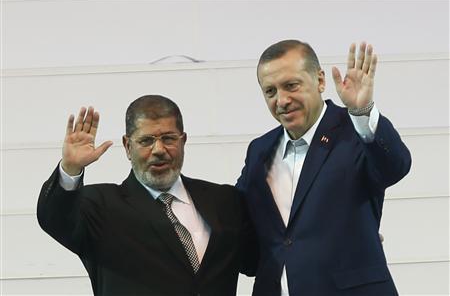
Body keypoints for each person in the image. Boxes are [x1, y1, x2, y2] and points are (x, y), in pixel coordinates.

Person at [236, 40, 412, 295]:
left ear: (320, 80)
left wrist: (362, 111)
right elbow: (238, 218)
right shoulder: (259, 150)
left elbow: (396, 166)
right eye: (270, 91)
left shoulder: (355, 130)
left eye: (291, 86)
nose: (282, 100)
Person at [37, 95, 257, 296]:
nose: (159, 149)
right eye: (146, 141)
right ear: (127, 146)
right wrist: (70, 169)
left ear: (183, 141)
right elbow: (55, 219)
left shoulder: (224, 200)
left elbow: (256, 260)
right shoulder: (101, 206)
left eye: (169, 138)